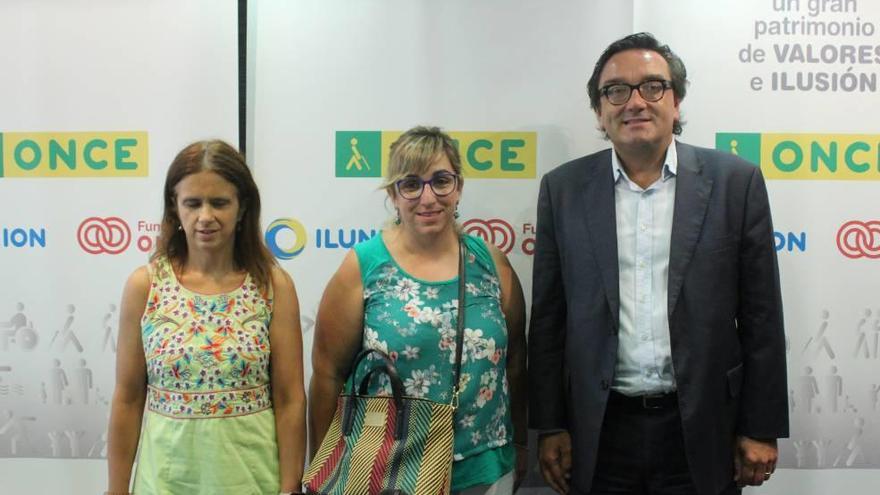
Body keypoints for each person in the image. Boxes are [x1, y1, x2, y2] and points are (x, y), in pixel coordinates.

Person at [528, 33, 789, 495]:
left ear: (676, 100)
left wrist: (760, 426)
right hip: (600, 430)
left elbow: (761, 316)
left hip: (705, 426)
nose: (635, 102)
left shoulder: (735, 183)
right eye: (616, 90)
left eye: (652, 87)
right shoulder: (563, 190)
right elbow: (549, 319)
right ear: (599, 110)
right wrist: (549, 425)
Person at [309, 126, 527, 494]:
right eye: (411, 184)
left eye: (441, 181)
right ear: (394, 194)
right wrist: (322, 464)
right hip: (389, 471)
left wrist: (521, 442)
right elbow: (327, 373)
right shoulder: (364, 267)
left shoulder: (491, 264)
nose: (428, 197)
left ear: (458, 187)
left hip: (485, 467)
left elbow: (516, 361)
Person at [106, 140, 306, 495]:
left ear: (242, 207)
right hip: (165, 481)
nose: (205, 216)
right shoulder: (145, 286)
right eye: (193, 203)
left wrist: (291, 487)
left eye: (220, 203)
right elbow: (128, 397)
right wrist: (116, 489)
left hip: (252, 480)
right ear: (174, 206)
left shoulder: (272, 286)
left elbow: (290, 398)